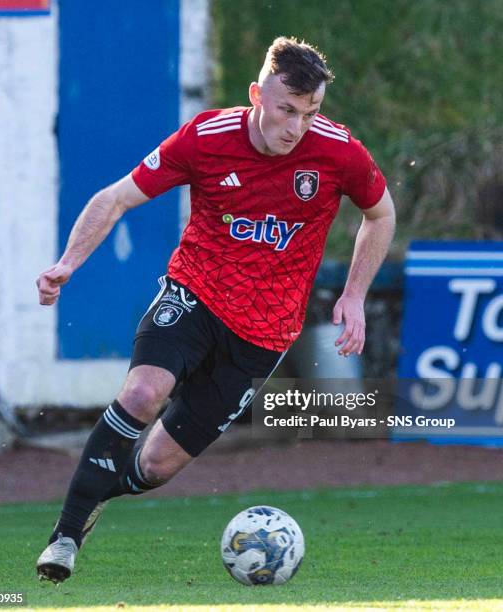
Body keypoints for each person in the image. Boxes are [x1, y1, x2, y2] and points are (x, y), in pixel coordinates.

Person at [35, 36, 396, 582]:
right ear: (257, 95)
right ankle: (66, 534)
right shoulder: (207, 137)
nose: (296, 127)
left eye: (311, 112)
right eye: (287, 110)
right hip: (195, 293)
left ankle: (97, 484)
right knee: (142, 391)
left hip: (265, 332)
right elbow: (116, 197)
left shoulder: (339, 151)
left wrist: (354, 294)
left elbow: (381, 215)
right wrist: (68, 262)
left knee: (156, 466)